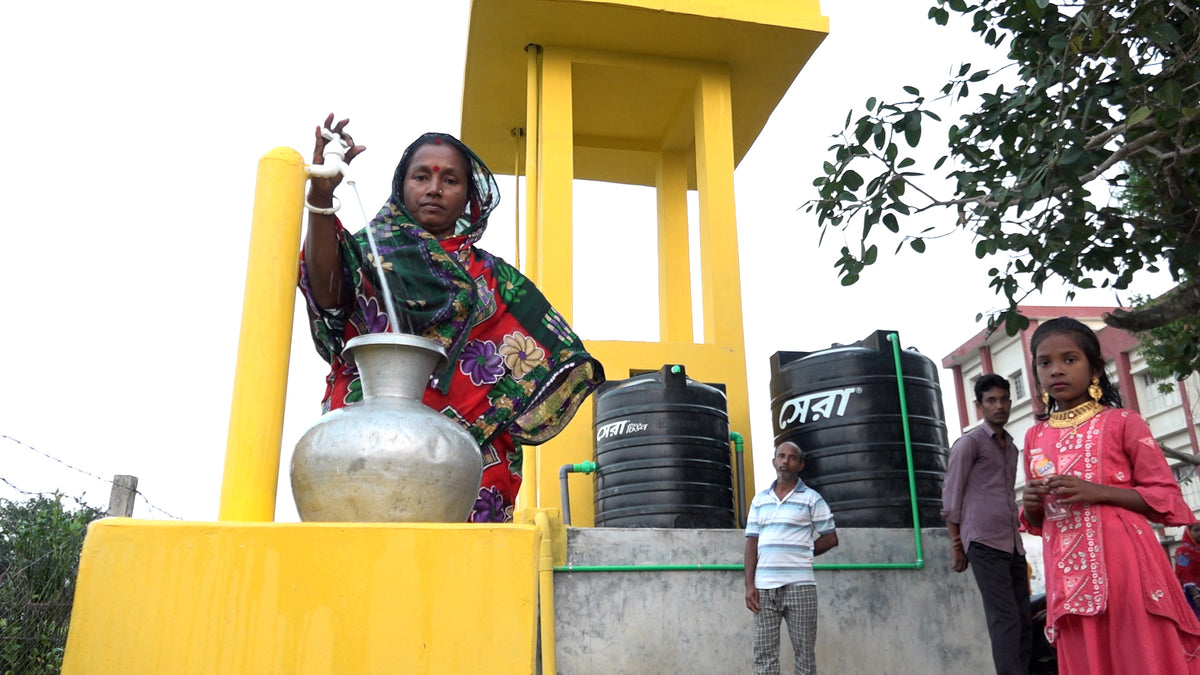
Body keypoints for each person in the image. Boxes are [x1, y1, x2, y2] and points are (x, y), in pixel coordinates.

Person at [300, 114, 604, 523]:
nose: (433, 189)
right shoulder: (367, 253)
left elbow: (558, 359)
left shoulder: (496, 281)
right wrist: (321, 196)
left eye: (450, 180)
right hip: (362, 449)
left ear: (468, 197)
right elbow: (327, 293)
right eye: (421, 177)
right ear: (402, 186)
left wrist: (491, 414)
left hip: (466, 464)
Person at [1020, 317, 1200, 674]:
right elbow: (1039, 521)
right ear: (1036, 372)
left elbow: (1164, 496)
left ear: (1095, 368)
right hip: (1067, 573)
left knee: (1137, 654)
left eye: (1069, 359)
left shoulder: (1122, 422)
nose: (1057, 370)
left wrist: (1097, 491)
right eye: (1045, 362)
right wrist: (1031, 504)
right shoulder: (1034, 437)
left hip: (1125, 567)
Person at [941, 373, 1032, 675]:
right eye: (991, 401)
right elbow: (951, 496)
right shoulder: (969, 444)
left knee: (1023, 617)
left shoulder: (1012, 447)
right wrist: (957, 545)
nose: (1000, 406)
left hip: (1012, 543)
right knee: (1004, 618)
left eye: (1004, 399)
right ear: (979, 406)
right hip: (982, 542)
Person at [744, 441, 838, 675]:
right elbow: (751, 542)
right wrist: (749, 585)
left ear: (800, 464)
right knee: (764, 655)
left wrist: (803, 552)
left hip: (801, 587)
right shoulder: (760, 500)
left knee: (805, 655)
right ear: (774, 461)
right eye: (781, 456)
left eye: (792, 457)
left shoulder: (812, 499)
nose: (785, 461)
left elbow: (830, 537)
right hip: (764, 589)